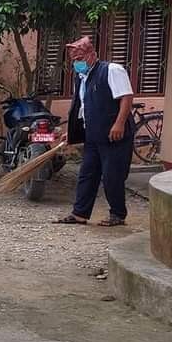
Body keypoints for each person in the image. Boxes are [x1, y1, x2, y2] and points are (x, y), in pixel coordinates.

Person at [54, 36, 135, 227]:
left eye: (79, 58)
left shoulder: (111, 70)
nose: (76, 62)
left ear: (92, 55)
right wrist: (73, 132)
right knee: (87, 174)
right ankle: (80, 214)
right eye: (74, 59)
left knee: (111, 176)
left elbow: (126, 97)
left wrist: (119, 124)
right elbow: (83, 106)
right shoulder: (82, 77)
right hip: (93, 134)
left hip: (115, 135)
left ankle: (118, 214)